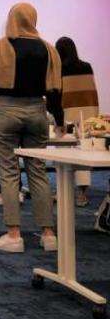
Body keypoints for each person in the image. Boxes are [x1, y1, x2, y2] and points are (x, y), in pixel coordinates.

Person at [0, 2, 63, 254]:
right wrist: (59, 120)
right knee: (38, 171)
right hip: (37, 111)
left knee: (9, 173)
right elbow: (55, 91)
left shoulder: (0, 47)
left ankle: (14, 235)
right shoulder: (49, 49)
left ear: (11, 19)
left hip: (6, 111)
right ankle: (48, 234)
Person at [55, 36, 100, 207]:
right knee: (83, 155)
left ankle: (62, 191)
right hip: (87, 115)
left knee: (63, 154)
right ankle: (82, 195)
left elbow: (58, 96)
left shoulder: (59, 70)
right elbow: (92, 92)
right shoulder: (87, 67)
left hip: (66, 116)